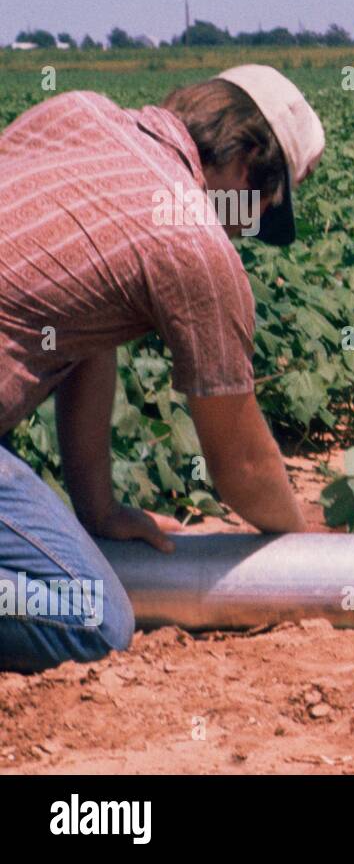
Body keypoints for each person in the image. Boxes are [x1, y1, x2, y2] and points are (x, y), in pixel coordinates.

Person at [0, 65, 324, 672]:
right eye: (257, 210)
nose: (244, 231)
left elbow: (83, 328)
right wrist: (302, 546)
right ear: (246, 159)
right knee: (89, 615)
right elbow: (243, 467)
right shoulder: (192, 240)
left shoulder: (77, 113)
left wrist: (97, 510)